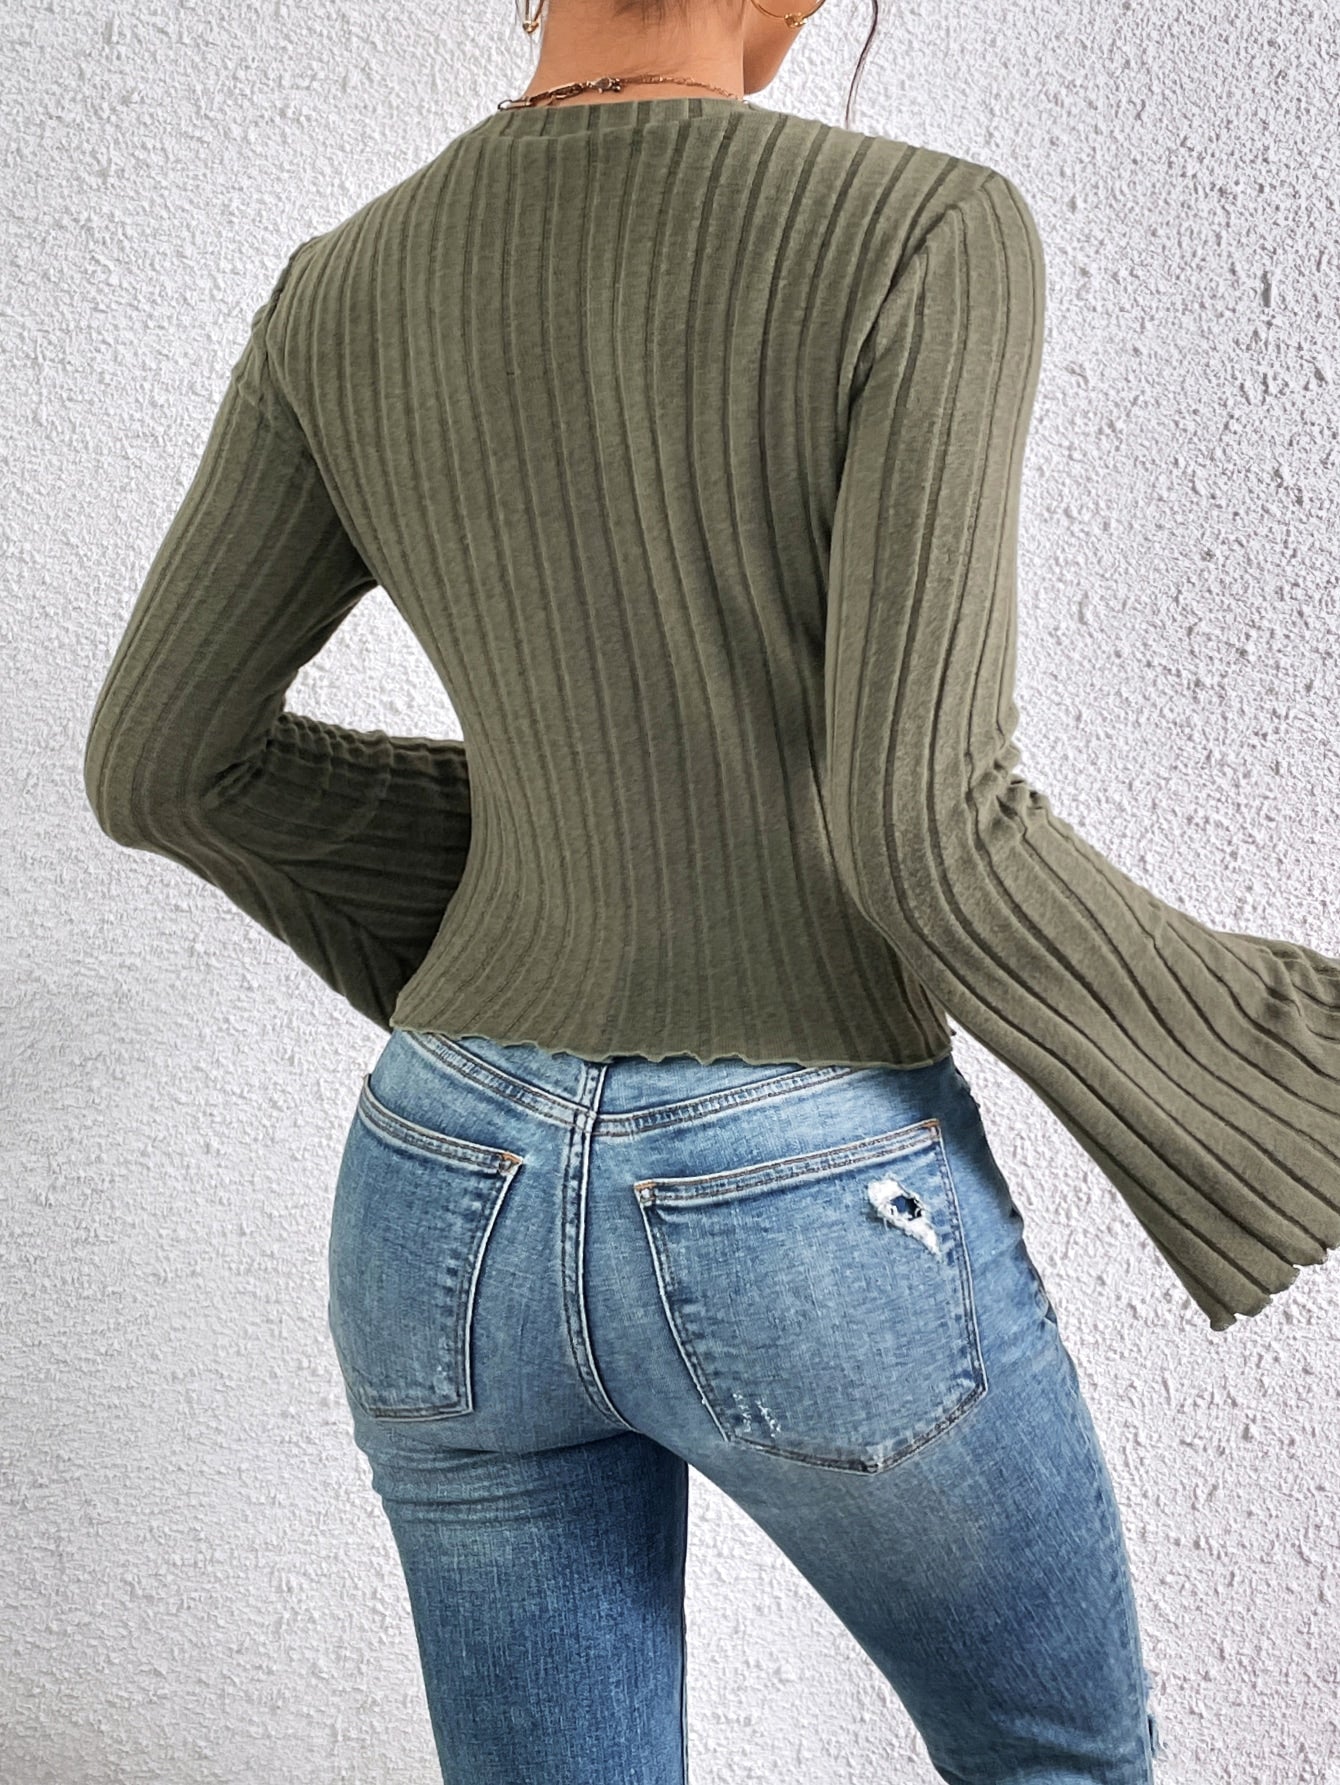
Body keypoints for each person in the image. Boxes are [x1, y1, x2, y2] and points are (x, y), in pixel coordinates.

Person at [83, 0, 1340, 1776]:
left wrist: (542, 866)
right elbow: (925, 825)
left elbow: (160, 763)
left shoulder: (340, 287)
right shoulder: (924, 231)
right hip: (799, 1188)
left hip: (442, 1183)